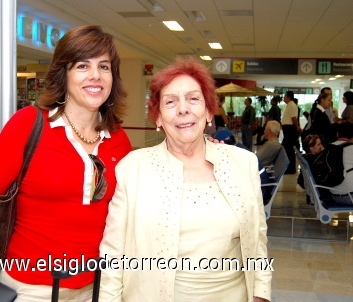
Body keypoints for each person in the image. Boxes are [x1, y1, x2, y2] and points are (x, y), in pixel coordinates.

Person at [0, 25, 132, 302]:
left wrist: (204, 149)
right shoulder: (28, 124)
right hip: (31, 288)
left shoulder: (118, 139)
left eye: (104, 66)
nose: (95, 75)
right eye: (82, 66)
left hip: (99, 287)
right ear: (64, 74)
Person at [99, 57, 272, 302]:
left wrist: (260, 294)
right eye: (170, 102)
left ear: (209, 111)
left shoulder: (243, 164)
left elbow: (258, 238)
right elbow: (113, 253)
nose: (183, 109)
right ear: (158, 118)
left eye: (193, 99)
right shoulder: (133, 169)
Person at [214, 129, 272, 204]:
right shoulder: (238, 148)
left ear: (222, 143)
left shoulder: (237, 154)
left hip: (260, 191)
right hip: (260, 186)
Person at [329, 122, 353, 204]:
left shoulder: (327, 148)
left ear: (337, 134)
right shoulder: (351, 148)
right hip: (349, 196)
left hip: (332, 194)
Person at [281, 90, 300, 174]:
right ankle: (289, 167)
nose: (284, 98)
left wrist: (297, 127)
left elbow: (294, 119)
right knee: (287, 149)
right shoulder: (289, 105)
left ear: (289, 97)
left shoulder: (292, 105)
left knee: (289, 150)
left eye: (285, 96)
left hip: (289, 129)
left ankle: (291, 169)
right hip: (287, 128)